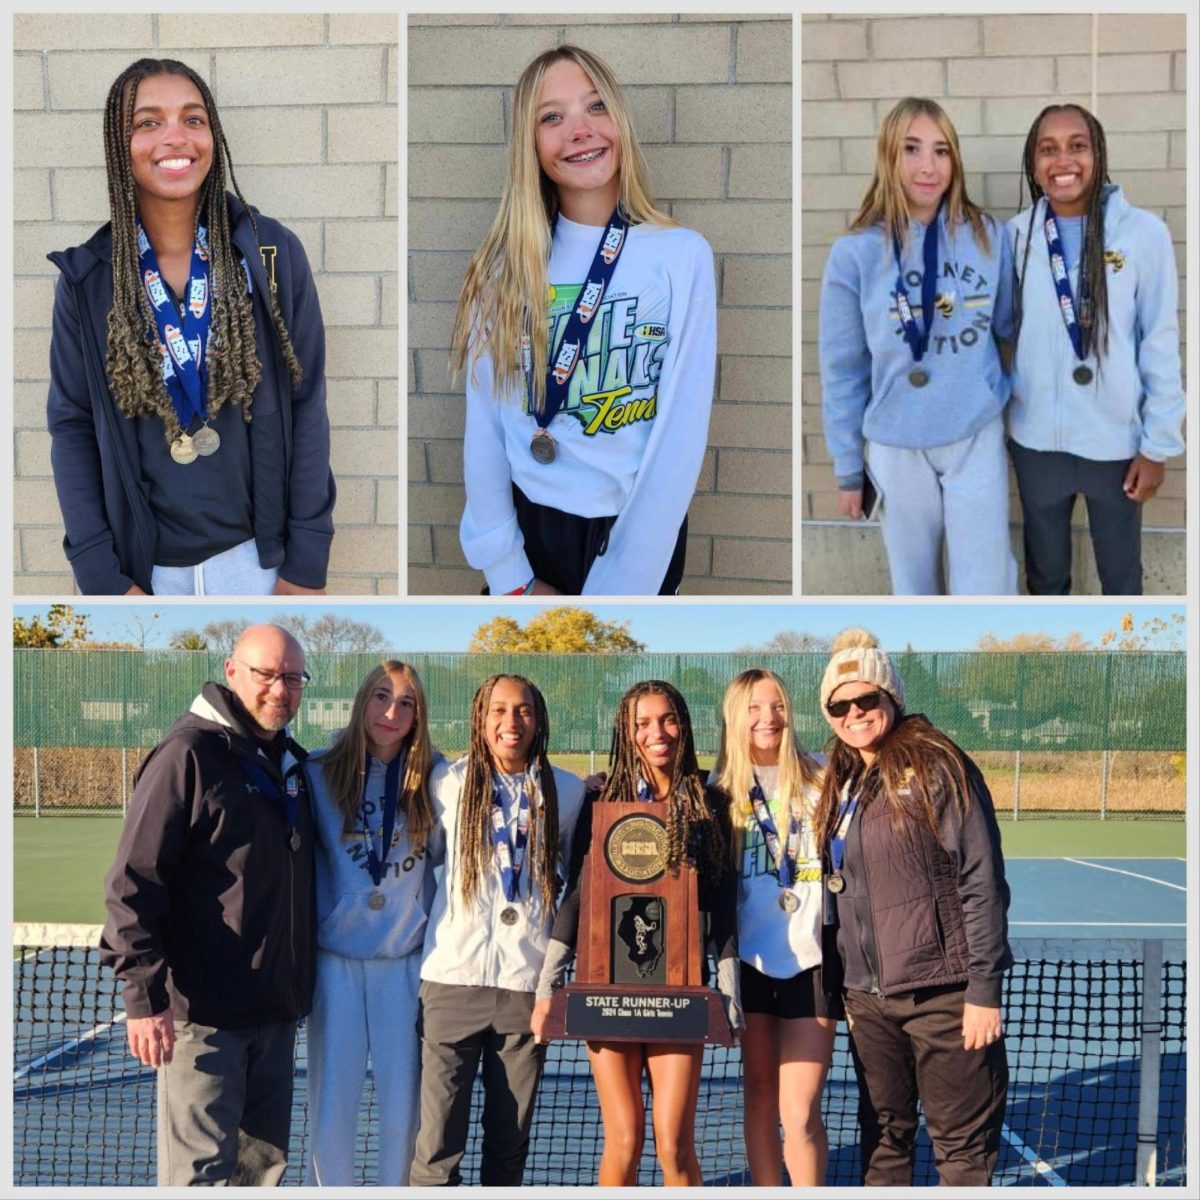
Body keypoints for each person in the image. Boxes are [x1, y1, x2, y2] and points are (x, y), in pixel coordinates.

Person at [47, 58, 335, 596]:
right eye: (147, 122)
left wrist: (306, 560)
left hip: (260, 562)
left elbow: (307, 403)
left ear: (212, 135)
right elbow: (72, 427)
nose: (174, 137)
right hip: (145, 573)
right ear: (119, 144)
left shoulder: (270, 255)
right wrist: (101, 577)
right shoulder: (88, 280)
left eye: (193, 119)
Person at [451, 45, 716, 596]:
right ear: (530, 144)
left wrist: (627, 583)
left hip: (639, 528)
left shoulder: (681, 256)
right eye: (552, 117)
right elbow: (486, 429)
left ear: (621, 122)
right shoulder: (503, 267)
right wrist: (510, 575)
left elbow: (680, 437)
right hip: (534, 533)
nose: (580, 130)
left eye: (596, 107)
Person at [99, 624, 315, 1185]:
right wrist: (145, 999)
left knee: (258, 1177)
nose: (280, 689)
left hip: (275, 1016)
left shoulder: (289, 762)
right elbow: (131, 885)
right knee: (199, 1180)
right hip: (204, 1021)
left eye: (292, 678)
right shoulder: (186, 755)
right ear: (232, 672)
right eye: (267, 674)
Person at [814, 628, 1011, 1186]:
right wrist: (847, 989)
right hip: (870, 1004)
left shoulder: (936, 762)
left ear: (891, 697)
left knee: (962, 1155)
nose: (853, 712)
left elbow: (982, 879)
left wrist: (983, 992)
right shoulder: (845, 779)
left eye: (865, 698)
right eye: (839, 705)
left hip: (944, 997)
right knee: (882, 1140)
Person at [533, 680, 741, 1186]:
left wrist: (729, 992)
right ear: (626, 732)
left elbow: (721, 908)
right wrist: (547, 988)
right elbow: (578, 898)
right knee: (624, 1140)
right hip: (606, 993)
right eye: (642, 723)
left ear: (684, 725)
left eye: (667, 719)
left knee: (674, 1144)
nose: (657, 733)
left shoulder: (710, 803)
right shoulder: (600, 797)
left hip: (680, 993)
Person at [819, 97, 1017, 596]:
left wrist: (997, 392)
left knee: (987, 585)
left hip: (973, 434)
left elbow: (1012, 327)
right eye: (912, 149)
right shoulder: (855, 254)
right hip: (896, 444)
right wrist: (847, 469)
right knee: (914, 588)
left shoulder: (989, 237)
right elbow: (843, 368)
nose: (928, 167)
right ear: (889, 155)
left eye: (941, 150)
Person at [1000, 103, 1185, 595]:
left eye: (1077, 145)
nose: (1063, 160)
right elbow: (999, 334)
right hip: (1037, 443)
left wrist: (1158, 444)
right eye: (1048, 149)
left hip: (1117, 445)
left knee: (1122, 579)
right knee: (1046, 577)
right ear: (1034, 163)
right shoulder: (1015, 238)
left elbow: (1160, 342)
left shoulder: (1143, 235)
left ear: (1098, 153)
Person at [410, 674, 586, 1186]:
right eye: (499, 711)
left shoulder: (569, 792)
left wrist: (551, 982)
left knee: (509, 1147)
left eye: (524, 710)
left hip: (526, 990)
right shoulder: (448, 782)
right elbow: (425, 860)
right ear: (480, 719)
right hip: (450, 984)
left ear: (539, 718)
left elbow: (576, 882)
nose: (512, 722)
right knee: (437, 1147)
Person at [303, 662, 439, 1186]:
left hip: (403, 968)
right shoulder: (315, 774)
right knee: (332, 1101)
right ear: (362, 701)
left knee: (404, 1108)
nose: (391, 712)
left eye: (406, 703)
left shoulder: (436, 779)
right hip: (334, 966)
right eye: (382, 697)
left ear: (417, 716)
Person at [711, 669, 838, 1186]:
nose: (769, 719)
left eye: (778, 706)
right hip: (751, 968)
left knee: (800, 1110)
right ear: (735, 718)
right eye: (755, 709)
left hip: (815, 966)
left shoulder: (825, 775)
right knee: (760, 1100)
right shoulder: (718, 792)